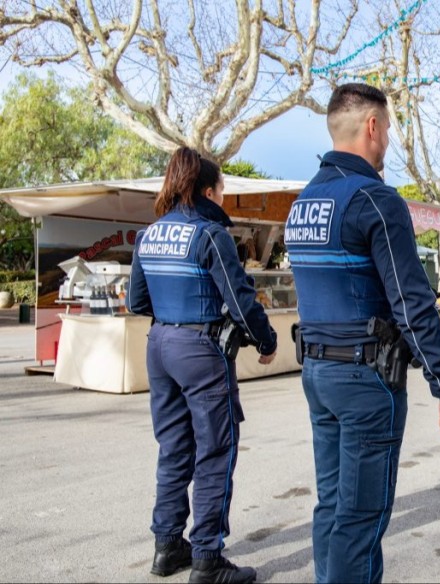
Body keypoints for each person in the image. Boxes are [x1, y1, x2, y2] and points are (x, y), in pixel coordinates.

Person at [284, 83, 440, 583]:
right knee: (360, 519)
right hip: (365, 380)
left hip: (318, 372)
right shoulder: (375, 199)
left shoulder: (303, 203)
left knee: (332, 506)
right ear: (371, 127)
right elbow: (411, 302)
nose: (386, 139)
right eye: (386, 128)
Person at [127, 147, 278, 584]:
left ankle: (167, 546)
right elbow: (240, 299)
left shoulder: (149, 235)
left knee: (174, 448)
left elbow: (136, 301)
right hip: (200, 351)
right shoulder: (210, 235)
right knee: (215, 451)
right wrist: (265, 341)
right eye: (222, 190)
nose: (223, 198)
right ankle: (208, 558)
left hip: (160, 346)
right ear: (208, 191)